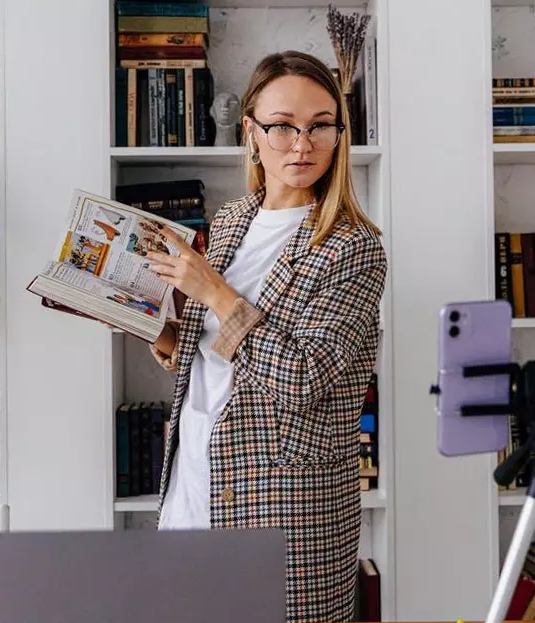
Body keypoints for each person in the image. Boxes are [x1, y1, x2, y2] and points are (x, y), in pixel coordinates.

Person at [144, 50, 387, 623]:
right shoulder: (231, 221)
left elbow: (302, 377)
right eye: (282, 126)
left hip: (285, 508)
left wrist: (212, 292)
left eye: (320, 125)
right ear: (251, 131)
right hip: (195, 474)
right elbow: (223, 362)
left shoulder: (354, 248)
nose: (301, 144)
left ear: (338, 132)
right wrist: (170, 341)